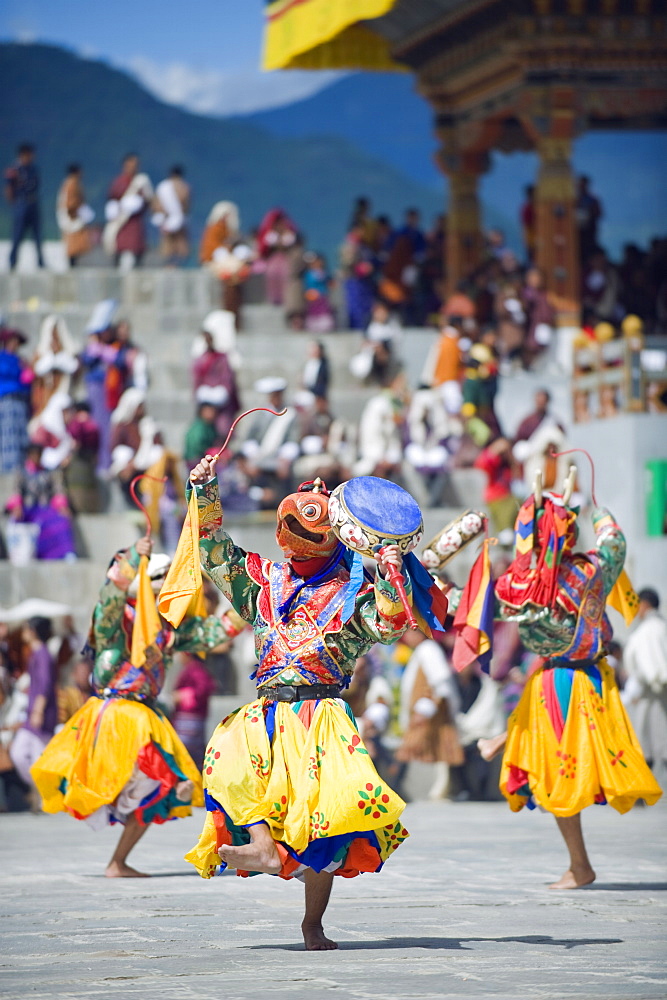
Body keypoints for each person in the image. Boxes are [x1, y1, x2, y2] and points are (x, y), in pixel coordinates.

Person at [184, 464, 413, 949]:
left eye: (302, 526)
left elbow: (393, 624)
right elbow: (211, 546)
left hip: (321, 719)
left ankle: (313, 923)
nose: (290, 536)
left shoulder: (355, 593)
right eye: (286, 525)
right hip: (264, 714)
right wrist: (204, 487)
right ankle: (263, 848)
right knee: (226, 764)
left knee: (322, 827)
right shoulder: (263, 582)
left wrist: (392, 567)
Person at [461, 481, 662, 888]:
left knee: (557, 772)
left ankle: (580, 865)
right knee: (565, 768)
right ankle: (579, 863)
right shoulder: (590, 569)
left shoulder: (515, 586)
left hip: (554, 683)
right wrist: (597, 511)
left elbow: (472, 602)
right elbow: (615, 542)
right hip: (591, 678)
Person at [31, 533, 244, 877]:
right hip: (116, 712)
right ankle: (168, 787)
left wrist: (251, 608)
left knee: (160, 794)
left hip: (144, 713)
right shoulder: (114, 621)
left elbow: (211, 633)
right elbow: (110, 595)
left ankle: (118, 861)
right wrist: (132, 557)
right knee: (165, 778)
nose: (168, 586)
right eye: (160, 579)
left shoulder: (165, 629)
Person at [395, 629, 462, 800]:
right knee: (439, 750)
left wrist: (426, 708)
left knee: (429, 748)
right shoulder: (422, 651)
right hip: (425, 711)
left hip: (429, 712)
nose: (407, 637)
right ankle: (442, 789)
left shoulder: (428, 650)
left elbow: (440, 681)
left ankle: (397, 786)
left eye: (411, 632)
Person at [622, 587, 667, 787]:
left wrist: (641, 688)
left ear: (644, 604)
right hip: (654, 691)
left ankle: (642, 790)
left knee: (651, 741)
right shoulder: (660, 626)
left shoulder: (650, 630)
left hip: (653, 693)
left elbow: (652, 667)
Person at [9, 617, 57, 803]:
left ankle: (46, 794)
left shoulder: (43, 654)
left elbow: (45, 685)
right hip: (32, 714)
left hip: (41, 714)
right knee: (19, 753)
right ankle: (42, 790)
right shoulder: (36, 654)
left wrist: (38, 710)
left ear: (33, 631)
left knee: (38, 756)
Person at [103, 154, 153, 270]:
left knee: (137, 248)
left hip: (135, 221)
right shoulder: (118, 182)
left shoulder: (141, 182)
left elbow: (149, 200)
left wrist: (139, 203)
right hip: (120, 221)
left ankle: (137, 269)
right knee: (117, 247)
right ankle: (115, 269)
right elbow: (112, 197)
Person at [171, 655, 218, 770]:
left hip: (190, 717)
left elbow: (203, 689)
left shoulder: (196, 670)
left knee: (187, 752)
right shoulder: (191, 669)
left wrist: (184, 696)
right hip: (187, 717)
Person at [4, 143, 44, 270]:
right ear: (22, 155)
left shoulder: (33, 169)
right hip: (21, 203)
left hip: (33, 203)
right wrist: (15, 204)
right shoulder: (14, 170)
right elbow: (8, 189)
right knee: (17, 234)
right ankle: (12, 261)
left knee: (37, 235)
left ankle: (40, 262)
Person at [30, 315, 78, 417]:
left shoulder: (69, 353)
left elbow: (75, 368)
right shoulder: (41, 353)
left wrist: (60, 360)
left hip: (64, 392)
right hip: (46, 395)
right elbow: (36, 371)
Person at [0, 327, 31, 475]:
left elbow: (26, 381)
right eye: (13, 342)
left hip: (20, 402)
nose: (15, 345)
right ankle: (8, 469)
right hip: (5, 401)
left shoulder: (20, 361)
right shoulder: (3, 359)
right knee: (6, 435)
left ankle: (20, 468)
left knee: (20, 435)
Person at [56, 164, 94, 267]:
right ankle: (72, 264)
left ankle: (74, 263)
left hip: (73, 216)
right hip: (72, 218)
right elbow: (71, 203)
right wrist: (75, 214)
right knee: (74, 244)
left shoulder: (69, 183)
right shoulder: (72, 183)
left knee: (75, 244)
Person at [153, 165, 190, 265]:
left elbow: (156, 205)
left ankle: (168, 265)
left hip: (166, 218)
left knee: (167, 244)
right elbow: (186, 206)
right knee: (180, 244)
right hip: (179, 219)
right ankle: (177, 265)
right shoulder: (184, 187)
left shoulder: (163, 187)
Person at [576, 176, 603, 265]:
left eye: (583, 185)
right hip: (576, 235)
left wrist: (590, 212)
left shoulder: (593, 200)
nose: (581, 187)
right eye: (579, 185)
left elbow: (599, 213)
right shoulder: (573, 200)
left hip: (589, 234)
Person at [184, 402, 220, 468]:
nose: (212, 413)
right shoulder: (199, 427)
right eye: (209, 411)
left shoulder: (211, 426)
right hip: (195, 459)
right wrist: (210, 451)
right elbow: (196, 444)